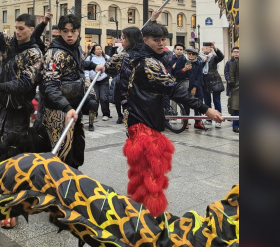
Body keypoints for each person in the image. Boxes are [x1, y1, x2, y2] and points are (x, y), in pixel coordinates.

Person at [96, 24, 223, 217]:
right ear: (145, 40)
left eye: (163, 39)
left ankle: (141, 211)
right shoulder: (148, 62)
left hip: (141, 118)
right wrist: (205, 109)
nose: (161, 43)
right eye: (156, 40)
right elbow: (174, 89)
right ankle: (148, 215)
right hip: (142, 121)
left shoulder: (143, 56)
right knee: (150, 172)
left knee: (142, 170)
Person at [0, 0, 43, 229]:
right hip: (2, 108)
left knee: (13, 159)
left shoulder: (35, 54)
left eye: (21, 29)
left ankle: (12, 208)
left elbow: (26, 83)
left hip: (18, 110)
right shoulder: (9, 44)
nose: (17, 32)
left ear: (31, 30)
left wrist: (1, 86)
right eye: (15, 28)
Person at [39, 14, 98, 169]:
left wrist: (93, 66)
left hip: (75, 107)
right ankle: (60, 186)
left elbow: (77, 65)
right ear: (60, 32)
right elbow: (50, 85)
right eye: (65, 31)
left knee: (77, 149)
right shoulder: (54, 54)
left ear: (78, 31)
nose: (69, 34)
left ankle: (72, 183)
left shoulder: (76, 48)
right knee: (61, 153)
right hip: (59, 111)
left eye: (73, 31)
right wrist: (65, 107)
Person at [181, 47, 207, 130]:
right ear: (187, 54)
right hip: (185, 86)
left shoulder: (198, 63)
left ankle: (198, 121)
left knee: (198, 104)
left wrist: (195, 87)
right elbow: (178, 73)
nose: (191, 55)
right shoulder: (182, 61)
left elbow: (200, 76)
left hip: (197, 87)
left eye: (193, 54)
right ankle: (186, 122)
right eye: (189, 54)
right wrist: (184, 69)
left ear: (196, 55)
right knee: (186, 105)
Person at [201, 42, 225, 128]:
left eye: (208, 47)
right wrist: (204, 60)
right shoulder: (200, 58)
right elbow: (198, 67)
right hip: (205, 81)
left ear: (210, 49)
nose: (206, 48)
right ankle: (209, 119)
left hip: (215, 81)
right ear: (202, 49)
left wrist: (215, 48)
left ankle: (218, 120)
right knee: (207, 102)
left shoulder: (214, 57)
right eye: (205, 47)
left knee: (217, 101)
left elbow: (221, 57)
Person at [85, 44, 110, 122]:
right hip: (93, 81)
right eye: (97, 49)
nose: (99, 50)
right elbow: (86, 69)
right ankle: (94, 114)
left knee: (104, 97)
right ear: (93, 51)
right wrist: (87, 78)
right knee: (95, 98)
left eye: (100, 49)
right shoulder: (89, 58)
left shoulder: (106, 57)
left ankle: (106, 114)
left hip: (103, 80)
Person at [227, 48, 239, 133]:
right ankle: (235, 126)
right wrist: (233, 85)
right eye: (235, 52)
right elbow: (231, 74)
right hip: (237, 88)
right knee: (236, 108)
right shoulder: (236, 62)